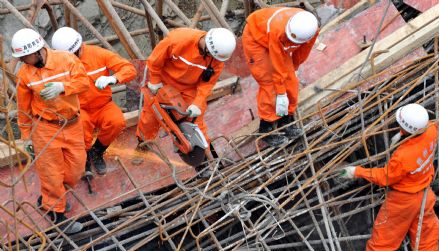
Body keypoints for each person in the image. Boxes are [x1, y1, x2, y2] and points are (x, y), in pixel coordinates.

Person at [341, 103, 439, 251]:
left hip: (402, 201)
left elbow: (385, 177)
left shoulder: (403, 156)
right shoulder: (432, 130)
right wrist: (404, 136)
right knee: (426, 241)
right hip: (425, 196)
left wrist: (357, 171)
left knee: (383, 240)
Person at [12, 28, 89, 234]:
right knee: (51, 173)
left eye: (24, 56)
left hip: (72, 124)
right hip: (45, 128)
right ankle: (57, 214)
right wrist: (26, 136)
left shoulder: (66, 60)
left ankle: (50, 197)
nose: (23, 60)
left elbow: (84, 83)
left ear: (37, 51)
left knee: (76, 169)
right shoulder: (26, 74)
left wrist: (62, 87)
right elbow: (23, 107)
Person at [136, 27, 236, 173]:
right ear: (207, 46)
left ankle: (203, 162)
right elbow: (154, 60)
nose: (214, 61)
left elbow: (207, 83)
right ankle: (142, 145)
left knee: (196, 123)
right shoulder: (178, 40)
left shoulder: (217, 58)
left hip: (190, 88)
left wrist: (198, 102)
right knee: (151, 117)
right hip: (164, 82)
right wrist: (155, 81)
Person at [51, 27, 137, 175]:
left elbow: (129, 69)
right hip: (79, 108)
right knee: (80, 129)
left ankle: (97, 151)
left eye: (76, 53)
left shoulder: (98, 54)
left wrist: (113, 78)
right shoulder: (57, 63)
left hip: (103, 105)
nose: (74, 57)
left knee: (116, 122)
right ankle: (83, 157)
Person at [242, 8, 319, 147]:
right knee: (270, 83)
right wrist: (281, 92)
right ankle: (266, 128)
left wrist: (293, 69)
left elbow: (301, 53)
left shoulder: (311, 30)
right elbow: (277, 67)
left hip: (277, 38)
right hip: (256, 39)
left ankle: (286, 121)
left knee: (291, 81)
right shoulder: (278, 30)